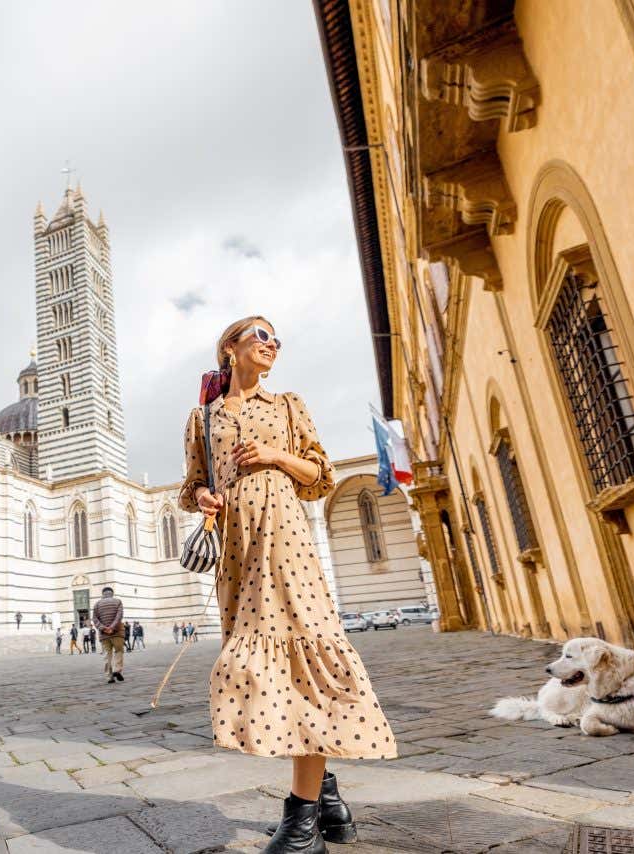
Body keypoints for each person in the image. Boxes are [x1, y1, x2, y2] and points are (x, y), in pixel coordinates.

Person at [181, 317, 396, 852]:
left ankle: (302, 824)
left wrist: (276, 456)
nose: (271, 344)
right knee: (262, 668)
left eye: (276, 338)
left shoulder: (288, 406)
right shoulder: (202, 418)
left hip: (287, 542)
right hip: (236, 549)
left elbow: (320, 476)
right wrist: (203, 499)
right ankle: (326, 797)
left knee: (305, 661)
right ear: (230, 348)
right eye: (259, 335)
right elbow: (191, 486)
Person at [93, 586, 124, 683]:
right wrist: (112, 627)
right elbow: (119, 616)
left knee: (107, 655)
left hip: (104, 635)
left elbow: (95, 619)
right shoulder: (118, 601)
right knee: (119, 651)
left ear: (103, 594)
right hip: (117, 633)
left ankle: (109, 677)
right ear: (112, 593)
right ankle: (117, 670)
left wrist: (104, 628)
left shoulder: (97, 604)